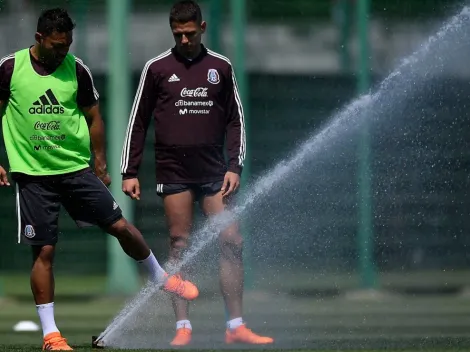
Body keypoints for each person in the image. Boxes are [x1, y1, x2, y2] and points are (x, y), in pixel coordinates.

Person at [0, 8, 199, 351]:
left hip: (75, 169)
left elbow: (93, 117)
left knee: (121, 226)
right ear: (39, 39)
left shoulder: (76, 70)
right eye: (57, 45)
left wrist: (101, 162)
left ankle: (162, 279)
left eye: (67, 44)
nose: (63, 51)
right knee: (44, 250)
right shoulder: (9, 68)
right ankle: (51, 335)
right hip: (33, 176)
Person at [121, 0, 273, 346]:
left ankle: (235, 324)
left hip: (214, 172)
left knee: (232, 238)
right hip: (174, 171)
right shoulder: (157, 68)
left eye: (190, 33)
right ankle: (183, 328)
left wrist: (235, 165)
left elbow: (236, 120)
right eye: (178, 34)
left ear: (202, 28)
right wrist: (129, 171)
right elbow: (138, 121)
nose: (184, 39)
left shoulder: (221, 66)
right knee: (179, 244)